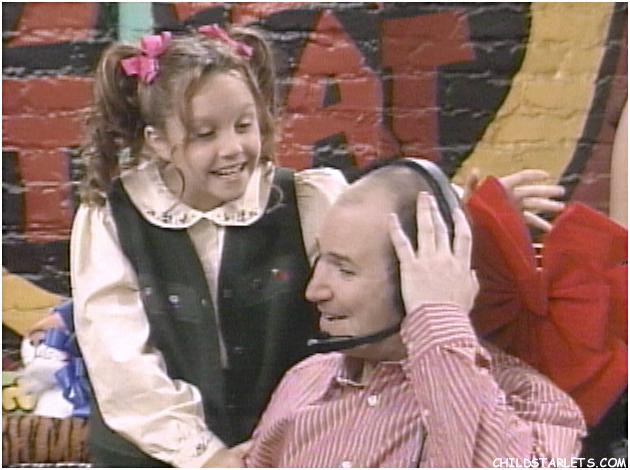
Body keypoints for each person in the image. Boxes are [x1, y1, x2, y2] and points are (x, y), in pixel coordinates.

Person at [71, 24, 347, 467]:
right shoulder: (113, 219)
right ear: (159, 141)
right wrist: (206, 456)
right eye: (205, 134)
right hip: (151, 454)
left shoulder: (308, 202)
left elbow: (362, 310)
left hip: (286, 447)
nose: (232, 148)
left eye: (244, 125)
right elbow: (121, 365)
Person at [245, 159, 586, 467]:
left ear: (417, 276)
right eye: (322, 259)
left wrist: (438, 320)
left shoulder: (534, 404)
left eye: (345, 270)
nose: (314, 291)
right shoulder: (304, 381)